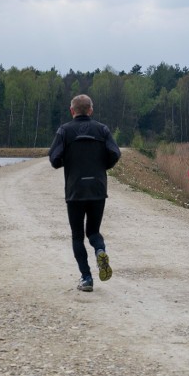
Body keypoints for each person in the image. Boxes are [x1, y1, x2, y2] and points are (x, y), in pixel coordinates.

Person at [48, 94, 121, 292]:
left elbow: (54, 159)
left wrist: (68, 161)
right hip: (97, 188)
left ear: (72, 111)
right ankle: (100, 251)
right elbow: (115, 153)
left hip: (75, 189)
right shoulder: (102, 129)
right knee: (94, 232)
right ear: (91, 110)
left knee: (77, 236)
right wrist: (102, 166)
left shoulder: (64, 131)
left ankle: (87, 278)